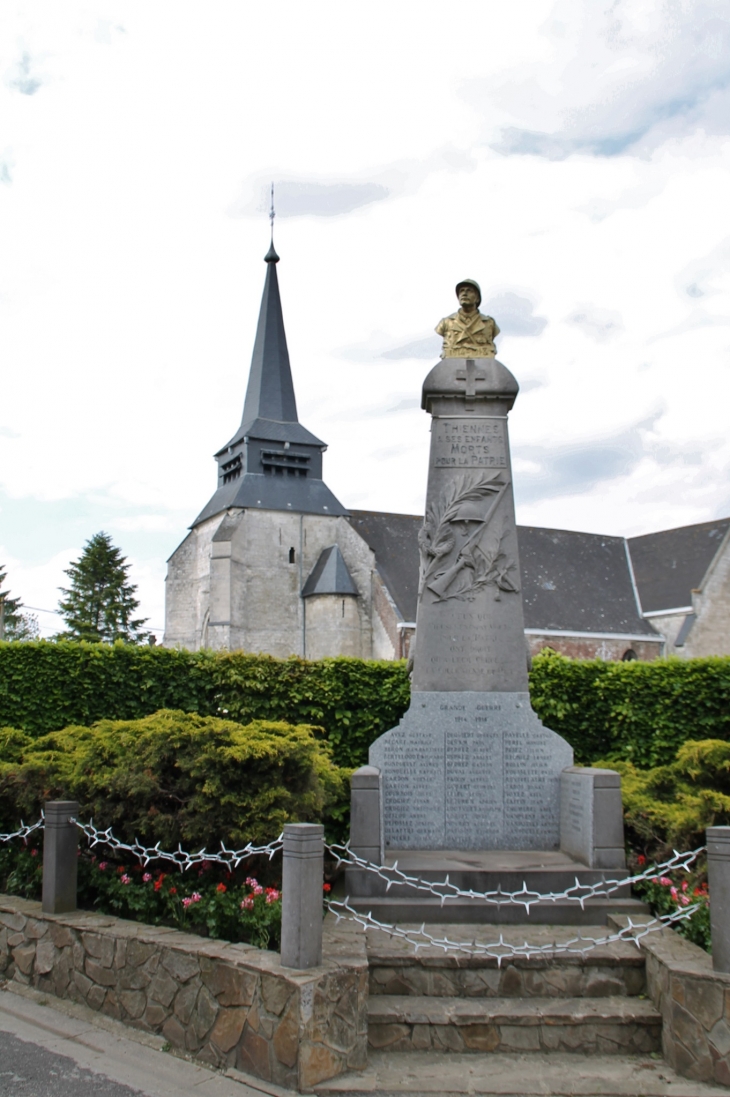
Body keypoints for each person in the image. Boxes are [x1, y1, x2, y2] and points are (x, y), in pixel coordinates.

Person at [435, 279, 500, 358]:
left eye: (469, 291)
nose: (464, 294)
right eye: (461, 291)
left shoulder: (489, 323)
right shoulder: (446, 322)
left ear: (477, 298)